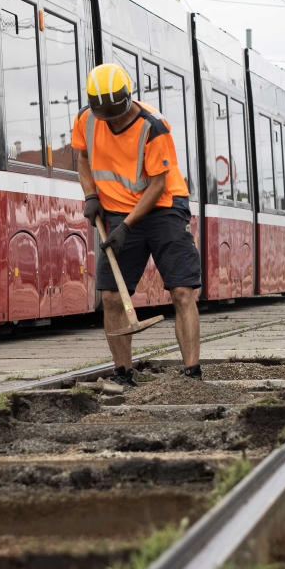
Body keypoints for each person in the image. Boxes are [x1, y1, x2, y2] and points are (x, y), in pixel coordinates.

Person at [73, 62, 202, 386]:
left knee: (182, 291)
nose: (113, 120)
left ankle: (191, 374)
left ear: (128, 99)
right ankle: (122, 373)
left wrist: (127, 226)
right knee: (112, 296)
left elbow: (157, 184)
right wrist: (91, 196)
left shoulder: (153, 126)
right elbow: (83, 159)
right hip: (116, 211)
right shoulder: (86, 120)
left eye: (117, 113)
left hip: (164, 208)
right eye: (106, 114)